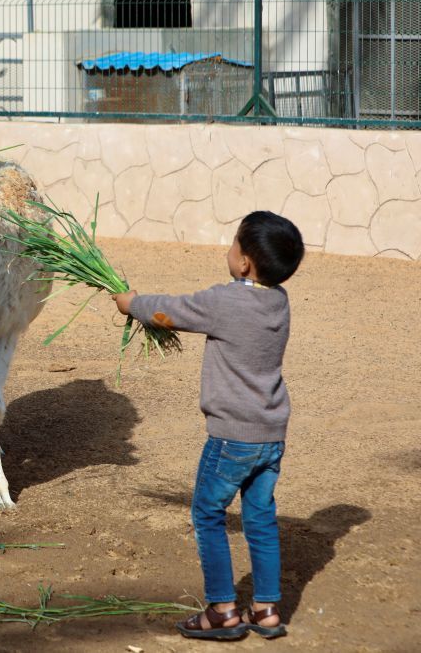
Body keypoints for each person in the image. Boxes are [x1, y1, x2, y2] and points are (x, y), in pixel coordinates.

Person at [113, 211, 304, 641]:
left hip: (231, 437)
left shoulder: (226, 301)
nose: (229, 249)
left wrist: (132, 304)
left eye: (234, 243)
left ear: (244, 263)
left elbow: (171, 312)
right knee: (259, 517)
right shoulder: (278, 301)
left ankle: (221, 610)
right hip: (270, 435)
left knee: (207, 513)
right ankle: (266, 609)